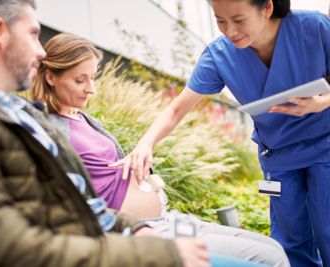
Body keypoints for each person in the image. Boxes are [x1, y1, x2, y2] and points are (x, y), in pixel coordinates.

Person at [0, 1, 214, 267]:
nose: (41, 52)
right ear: (0, 31)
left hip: (113, 244)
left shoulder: (22, 113)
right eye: (33, 34)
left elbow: (76, 203)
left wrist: (133, 227)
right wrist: (154, 255)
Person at [30, 32, 290, 267]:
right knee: (269, 260)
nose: (92, 88)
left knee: (275, 250)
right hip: (144, 232)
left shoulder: (86, 120)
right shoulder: (48, 129)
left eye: (93, 77)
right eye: (80, 80)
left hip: (167, 219)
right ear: (51, 76)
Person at [111, 0, 330, 266]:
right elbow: (176, 109)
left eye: (238, 20)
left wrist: (323, 101)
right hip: (279, 156)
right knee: (291, 240)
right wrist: (145, 144)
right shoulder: (220, 55)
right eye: (220, 20)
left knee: (327, 229)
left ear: (267, 8)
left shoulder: (313, 27)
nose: (230, 31)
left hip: (325, 145)